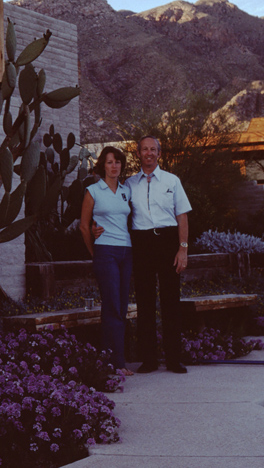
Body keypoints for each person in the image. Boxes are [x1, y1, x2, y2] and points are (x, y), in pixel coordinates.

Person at [126, 135, 192, 374]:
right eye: (144, 149)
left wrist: (182, 249)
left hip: (167, 242)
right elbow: (118, 211)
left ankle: (174, 359)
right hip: (141, 243)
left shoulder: (172, 181)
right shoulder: (129, 184)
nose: (149, 153)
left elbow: (182, 216)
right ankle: (149, 360)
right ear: (139, 154)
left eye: (153, 149)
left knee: (170, 302)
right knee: (144, 302)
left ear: (159, 153)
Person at [79, 145, 134, 376]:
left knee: (121, 305)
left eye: (118, 162)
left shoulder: (126, 190)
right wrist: (94, 251)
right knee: (112, 305)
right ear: (103, 165)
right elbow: (84, 225)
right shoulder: (93, 191)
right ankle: (117, 363)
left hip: (126, 251)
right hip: (106, 252)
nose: (114, 166)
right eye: (110, 162)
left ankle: (110, 359)